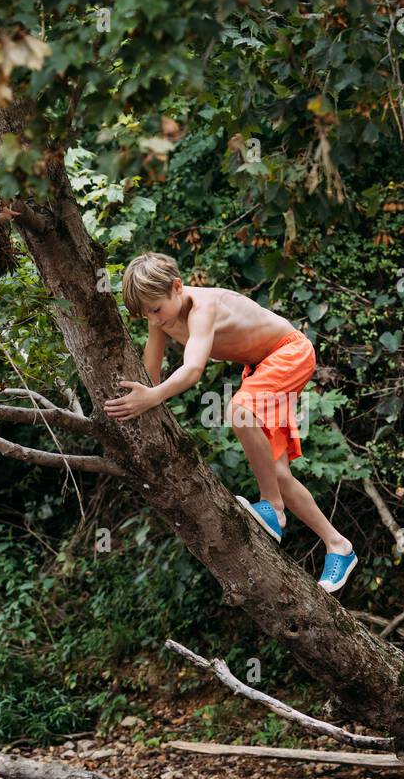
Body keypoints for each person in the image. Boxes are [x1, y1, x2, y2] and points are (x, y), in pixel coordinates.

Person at [104, 252, 357, 592]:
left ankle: (273, 509)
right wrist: (142, 394)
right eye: (146, 313)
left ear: (177, 287)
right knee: (278, 472)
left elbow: (193, 369)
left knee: (240, 409)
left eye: (155, 309)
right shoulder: (161, 316)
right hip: (260, 369)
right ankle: (338, 544)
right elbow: (150, 372)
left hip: (288, 353)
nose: (154, 318)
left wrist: (153, 396)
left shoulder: (203, 308)